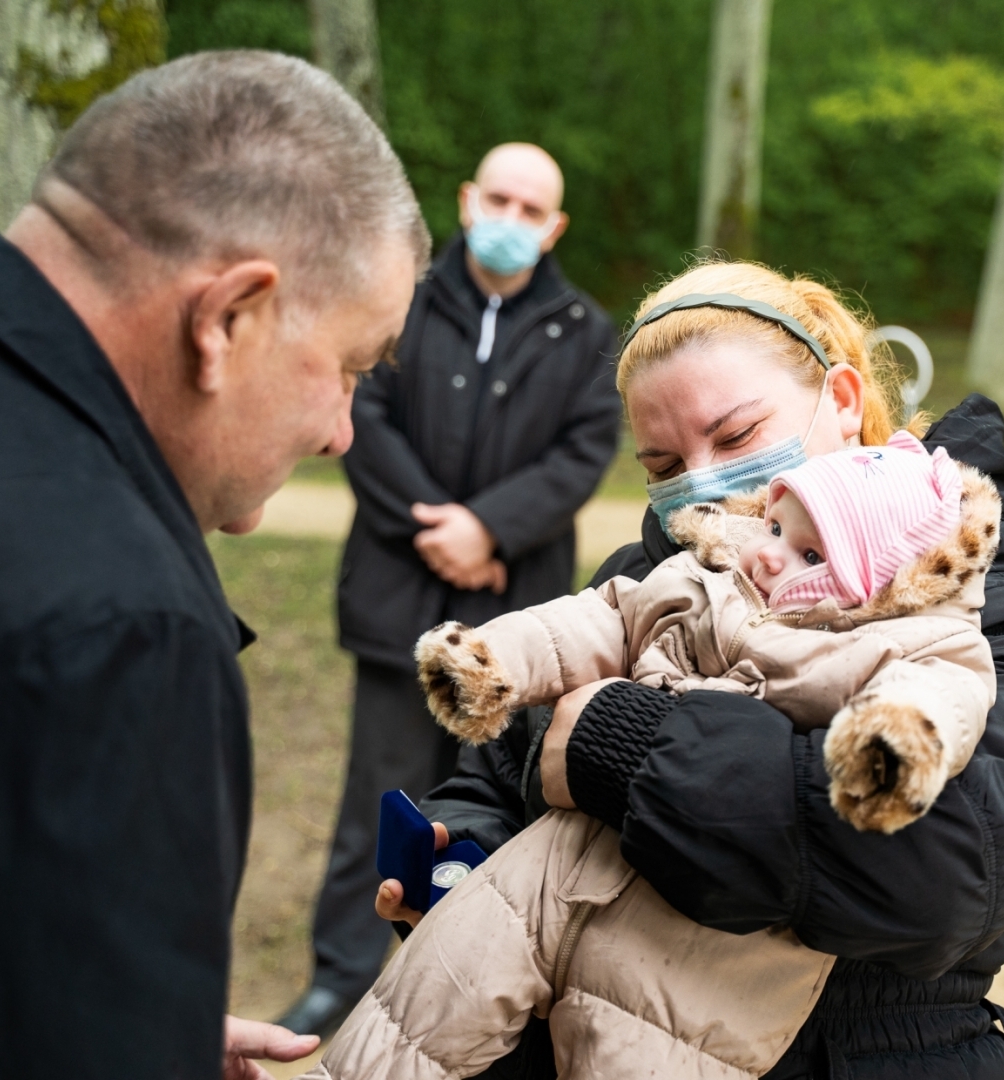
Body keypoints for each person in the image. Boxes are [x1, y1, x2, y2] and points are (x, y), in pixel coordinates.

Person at [376, 261, 1004, 1079]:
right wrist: (465, 858)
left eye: (735, 435)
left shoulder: (996, 613)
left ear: (844, 401)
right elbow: (497, 773)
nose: (701, 482)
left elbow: (956, 876)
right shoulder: (642, 580)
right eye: (660, 465)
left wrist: (623, 744)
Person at [0, 51, 429, 1080]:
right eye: (348, 367)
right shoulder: (120, 629)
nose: (343, 429)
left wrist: (69, 1004)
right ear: (227, 320)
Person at [309, 432, 1003, 1079]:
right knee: (425, 998)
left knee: (639, 1054)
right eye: (775, 527)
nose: (769, 555)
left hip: (699, 946)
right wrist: (496, 662)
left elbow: (940, 686)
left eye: (812, 556)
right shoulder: (702, 575)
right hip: (553, 861)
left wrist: (888, 743)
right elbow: (597, 618)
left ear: (879, 588)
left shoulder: (897, 641)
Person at [278, 143, 620, 1038]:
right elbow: (367, 416)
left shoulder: (584, 332)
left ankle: (462, 990)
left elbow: (582, 453)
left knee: (493, 803)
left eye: (530, 207)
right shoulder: (405, 300)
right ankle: (344, 971)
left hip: (512, 613)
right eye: (496, 198)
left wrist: (491, 529)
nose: (510, 219)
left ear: (555, 227)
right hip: (397, 592)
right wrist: (440, 526)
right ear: (467, 201)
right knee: (376, 797)